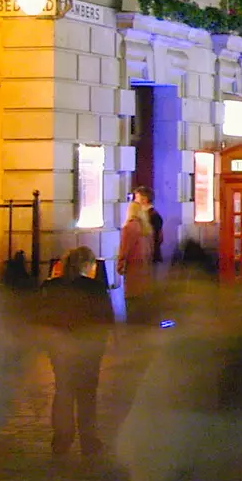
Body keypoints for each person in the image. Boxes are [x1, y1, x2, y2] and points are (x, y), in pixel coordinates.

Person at [39, 246, 115, 457]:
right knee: (87, 395)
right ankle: (88, 441)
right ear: (87, 265)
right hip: (88, 348)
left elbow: (43, 316)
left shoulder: (51, 286)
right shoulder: (95, 288)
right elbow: (106, 318)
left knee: (63, 390)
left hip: (60, 347)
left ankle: (62, 439)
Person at [116, 196, 155, 324]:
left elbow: (124, 248)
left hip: (133, 269)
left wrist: (120, 264)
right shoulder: (146, 228)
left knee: (132, 302)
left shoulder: (129, 227)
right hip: (145, 270)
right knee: (143, 303)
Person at [133, 185, 164, 264]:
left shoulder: (152, 215)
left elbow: (157, 238)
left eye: (137, 198)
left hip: (149, 258)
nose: (134, 201)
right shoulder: (149, 214)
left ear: (144, 199)